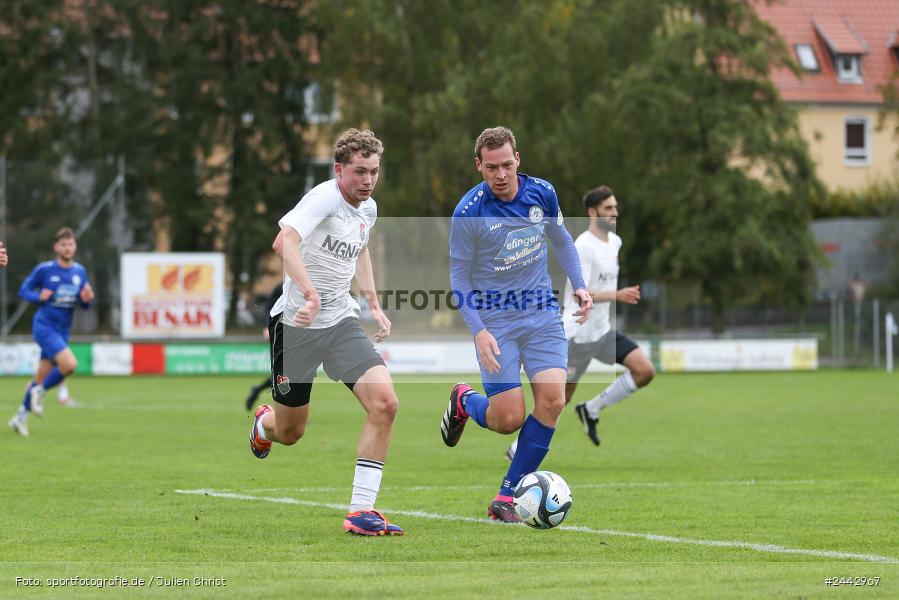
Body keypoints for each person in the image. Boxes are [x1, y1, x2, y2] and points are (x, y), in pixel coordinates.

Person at [248, 129, 404, 536]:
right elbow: (283, 242)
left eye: (374, 172)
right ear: (339, 170)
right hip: (295, 327)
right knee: (291, 432)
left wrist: (372, 303)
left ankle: (360, 511)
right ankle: (265, 422)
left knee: (385, 403)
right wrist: (310, 293)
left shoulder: (366, 209)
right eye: (359, 172)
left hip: (340, 322)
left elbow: (361, 248)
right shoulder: (323, 198)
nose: (368, 180)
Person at [441, 126, 593, 522]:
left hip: (541, 313)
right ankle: (464, 401)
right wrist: (479, 330)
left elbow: (561, 240)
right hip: (496, 322)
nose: (501, 174)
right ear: (479, 166)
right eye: (492, 167)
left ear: (518, 160)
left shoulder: (542, 192)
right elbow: (458, 279)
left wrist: (579, 285)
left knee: (554, 400)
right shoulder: (468, 211)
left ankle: (507, 496)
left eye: (507, 164)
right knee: (507, 419)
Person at [506, 185, 654, 458]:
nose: (615, 213)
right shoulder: (583, 246)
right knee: (558, 400)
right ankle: (517, 449)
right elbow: (581, 292)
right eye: (609, 208)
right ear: (592, 212)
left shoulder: (616, 243)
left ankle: (592, 409)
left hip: (602, 332)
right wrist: (617, 295)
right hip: (577, 333)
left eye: (615, 207)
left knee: (645, 371)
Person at [8, 228, 94, 436]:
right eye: (63, 244)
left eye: (70, 244)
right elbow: (23, 290)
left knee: (40, 377)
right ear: (56, 247)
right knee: (70, 365)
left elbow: (84, 305)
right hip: (45, 327)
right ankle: (39, 391)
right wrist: (39, 297)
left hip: (63, 330)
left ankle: (20, 418)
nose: (67, 248)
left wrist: (86, 299)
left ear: (75, 246)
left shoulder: (79, 272)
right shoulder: (45, 270)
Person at [244, 283, 283, 411]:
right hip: (280, 334)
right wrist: (267, 326)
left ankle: (258, 389)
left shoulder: (308, 285)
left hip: (297, 336)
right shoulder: (281, 287)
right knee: (285, 375)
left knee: (290, 375)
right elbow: (268, 308)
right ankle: (288, 413)